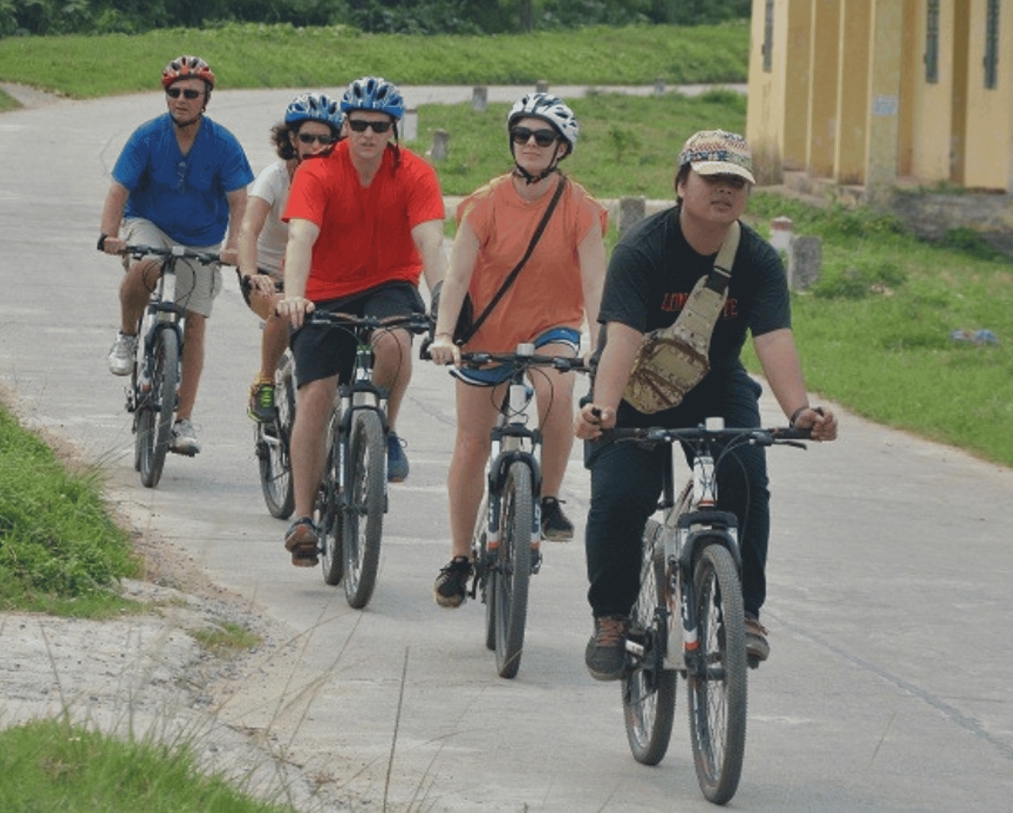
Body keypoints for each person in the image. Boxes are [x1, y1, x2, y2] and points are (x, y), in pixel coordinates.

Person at [574, 130, 838, 680]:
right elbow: (618, 337)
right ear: (680, 185)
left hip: (714, 386)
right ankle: (612, 619)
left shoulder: (759, 260)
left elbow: (773, 339)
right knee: (621, 495)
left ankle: (749, 615)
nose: (724, 190)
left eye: (736, 182)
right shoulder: (642, 249)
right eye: (712, 178)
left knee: (745, 477)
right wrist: (603, 411)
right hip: (633, 387)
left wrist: (799, 413)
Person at [425, 93, 607, 608]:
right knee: (471, 442)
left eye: (543, 137)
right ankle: (460, 557)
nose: (530, 144)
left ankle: (548, 500)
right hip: (487, 335)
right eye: (522, 135)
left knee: (557, 389)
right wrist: (443, 336)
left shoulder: (583, 210)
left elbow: (596, 287)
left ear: (561, 149)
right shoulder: (483, 204)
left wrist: (603, 347)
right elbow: (457, 276)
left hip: (553, 328)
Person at [275, 76, 448, 567]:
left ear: (394, 129)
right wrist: (293, 296)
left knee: (394, 341)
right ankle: (304, 516)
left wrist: (441, 301)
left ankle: (385, 431)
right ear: (343, 126)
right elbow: (301, 239)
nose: (368, 135)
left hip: (389, 281)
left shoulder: (415, 173)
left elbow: (431, 241)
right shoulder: (318, 171)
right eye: (357, 125)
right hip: (322, 290)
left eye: (379, 126)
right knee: (316, 394)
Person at [99, 55, 253, 455]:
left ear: (206, 98)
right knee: (146, 265)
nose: (181, 99)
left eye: (191, 93)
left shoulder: (223, 143)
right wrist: (109, 235)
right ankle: (128, 336)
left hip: (202, 236)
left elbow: (240, 201)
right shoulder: (148, 136)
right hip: (149, 223)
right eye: (174, 92)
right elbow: (118, 191)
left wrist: (234, 245)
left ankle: (182, 419)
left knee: (196, 322)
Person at [236, 93, 342, 422]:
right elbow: (248, 231)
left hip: (319, 279)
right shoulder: (275, 177)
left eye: (325, 139)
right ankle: (265, 380)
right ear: (292, 139)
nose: (315, 146)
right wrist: (251, 273)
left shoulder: (340, 179)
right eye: (307, 137)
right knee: (283, 310)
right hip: (270, 275)